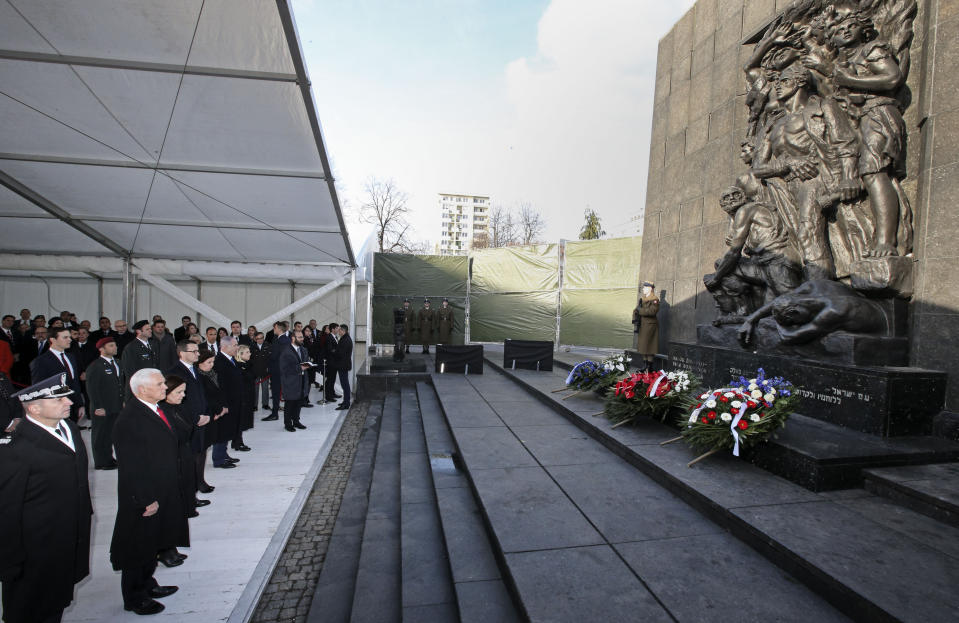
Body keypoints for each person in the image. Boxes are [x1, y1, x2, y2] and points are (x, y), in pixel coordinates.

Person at [0, 374, 93, 623]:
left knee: (56, 601)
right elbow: (7, 510)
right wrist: (9, 563)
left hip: (66, 536)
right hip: (34, 549)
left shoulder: (69, 429)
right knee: (29, 608)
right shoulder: (16, 448)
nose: (69, 402)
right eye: (59, 399)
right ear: (34, 407)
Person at [110, 369, 185, 615]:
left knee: (154, 541)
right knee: (138, 546)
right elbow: (131, 465)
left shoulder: (153, 408)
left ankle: (148, 583)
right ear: (142, 390)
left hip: (161, 488)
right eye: (160, 384)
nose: (165, 387)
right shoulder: (130, 420)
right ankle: (135, 596)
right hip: (145, 495)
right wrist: (145, 499)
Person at [160, 375, 208, 522]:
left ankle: (190, 504)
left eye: (184, 392)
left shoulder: (180, 406)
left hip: (186, 450)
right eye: (179, 392)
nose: (183, 395)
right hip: (175, 453)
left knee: (189, 478)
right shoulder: (163, 411)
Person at [167, 341, 212, 495]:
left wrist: (206, 414)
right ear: (182, 353)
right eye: (194, 351)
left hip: (201, 417)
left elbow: (201, 395)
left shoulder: (194, 370)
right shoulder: (175, 372)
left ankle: (200, 481)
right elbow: (178, 401)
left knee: (201, 451)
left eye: (197, 351)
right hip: (188, 420)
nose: (198, 354)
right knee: (189, 456)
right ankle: (190, 491)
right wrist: (195, 417)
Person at [30, 326, 83, 424]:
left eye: (69, 337)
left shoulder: (71, 357)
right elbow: (38, 388)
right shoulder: (40, 361)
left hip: (72, 407)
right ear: (53, 340)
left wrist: (80, 405)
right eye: (65, 337)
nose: (70, 340)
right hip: (54, 409)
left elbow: (75, 382)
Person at [84, 337, 124, 470]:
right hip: (102, 407)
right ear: (102, 349)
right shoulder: (95, 366)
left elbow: (120, 384)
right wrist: (98, 406)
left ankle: (108, 458)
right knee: (100, 435)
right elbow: (92, 389)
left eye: (115, 345)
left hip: (115, 405)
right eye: (111, 346)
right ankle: (101, 461)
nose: (115, 348)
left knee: (110, 434)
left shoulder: (118, 362)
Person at [197, 351, 230, 473]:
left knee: (222, 433)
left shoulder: (212, 373)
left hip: (220, 408)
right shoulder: (199, 377)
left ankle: (223, 455)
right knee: (214, 437)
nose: (212, 365)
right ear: (200, 363)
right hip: (211, 411)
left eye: (213, 362)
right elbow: (206, 397)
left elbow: (220, 391)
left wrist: (224, 406)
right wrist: (218, 409)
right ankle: (218, 459)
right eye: (209, 362)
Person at [211, 337, 242, 468]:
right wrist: (223, 405)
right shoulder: (219, 362)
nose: (237, 348)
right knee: (222, 430)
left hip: (233, 400)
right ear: (224, 347)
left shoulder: (230, 359)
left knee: (228, 429)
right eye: (235, 345)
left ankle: (224, 454)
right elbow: (221, 386)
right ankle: (218, 459)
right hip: (226, 402)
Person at [278, 329, 309, 432]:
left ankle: (296, 421)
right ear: (293, 338)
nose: (302, 339)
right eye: (300, 337)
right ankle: (288, 424)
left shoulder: (303, 349)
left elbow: (304, 362)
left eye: (302, 337)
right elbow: (284, 369)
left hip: (302, 380)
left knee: (298, 402)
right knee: (290, 404)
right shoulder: (286, 351)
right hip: (290, 382)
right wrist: (299, 368)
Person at [120, 320, 157, 401]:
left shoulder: (153, 344)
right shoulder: (131, 348)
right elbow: (130, 371)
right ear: (138, 331)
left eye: (150, 328)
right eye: (147, 329)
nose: (150, 330)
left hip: (151, 386)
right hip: (139, 388)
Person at [266, 321, 291, 420]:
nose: (274, 330)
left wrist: (268, 355)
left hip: (278, 371)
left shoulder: (283, 340)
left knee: (277, 392)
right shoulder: (279, 339)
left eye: (275, 328)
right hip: (278, 370)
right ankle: (275, 412)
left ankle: (275, 413)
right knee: (277, 392)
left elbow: (276, 355)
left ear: (279, 329)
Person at [233, 344, 255, 451]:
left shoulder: (248, 364)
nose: (250, 354)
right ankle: (238, 442)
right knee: (240, 420)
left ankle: (236, 440)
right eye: (247, 352)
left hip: (248, 396)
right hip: (242, 397)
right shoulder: (239, 367)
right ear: (240, 354)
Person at [634, 282, 660, 372]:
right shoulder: (643, 299)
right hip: (643, 324)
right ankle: (645, 364)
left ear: (650, 288)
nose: (643, 289)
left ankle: (649, 366)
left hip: (650, 325)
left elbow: (652, 311)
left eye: (645, 287)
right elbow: (638, 309)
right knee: (643, 346)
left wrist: (640, 310)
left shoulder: (654, 299)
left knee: (649, 346)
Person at [333, 324, 353, 411]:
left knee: (345, 385)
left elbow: (341, 353)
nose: (338, 331)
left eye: (339, 330)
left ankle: (346, 403)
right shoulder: (345, 338)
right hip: (343, 364)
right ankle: (345, 401)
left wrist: (334, 352)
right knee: (344, 384)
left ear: (343, 331)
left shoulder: (345, 340)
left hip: (343, 365)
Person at [251, 332, 271, 412]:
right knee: (255, 389)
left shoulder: (268, 346)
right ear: (255, 339)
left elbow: (270, 359)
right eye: (258, 338)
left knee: (265, 388)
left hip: (265, 371)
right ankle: (254, 405)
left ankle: (265, 404)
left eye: (261, 338)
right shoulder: (251, 347)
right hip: (255, 371)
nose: (260, 340)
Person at [323, 323, 340, 403]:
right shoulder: (329, 337)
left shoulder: (335, 337)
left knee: (333, 379)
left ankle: (332, 393)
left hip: (335, 361)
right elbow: (330, 350)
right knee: (329, 379)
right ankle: (328, 396)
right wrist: (339, 352)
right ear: (332, 329)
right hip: (330, 362)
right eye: (337, 328)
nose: (338, 330)